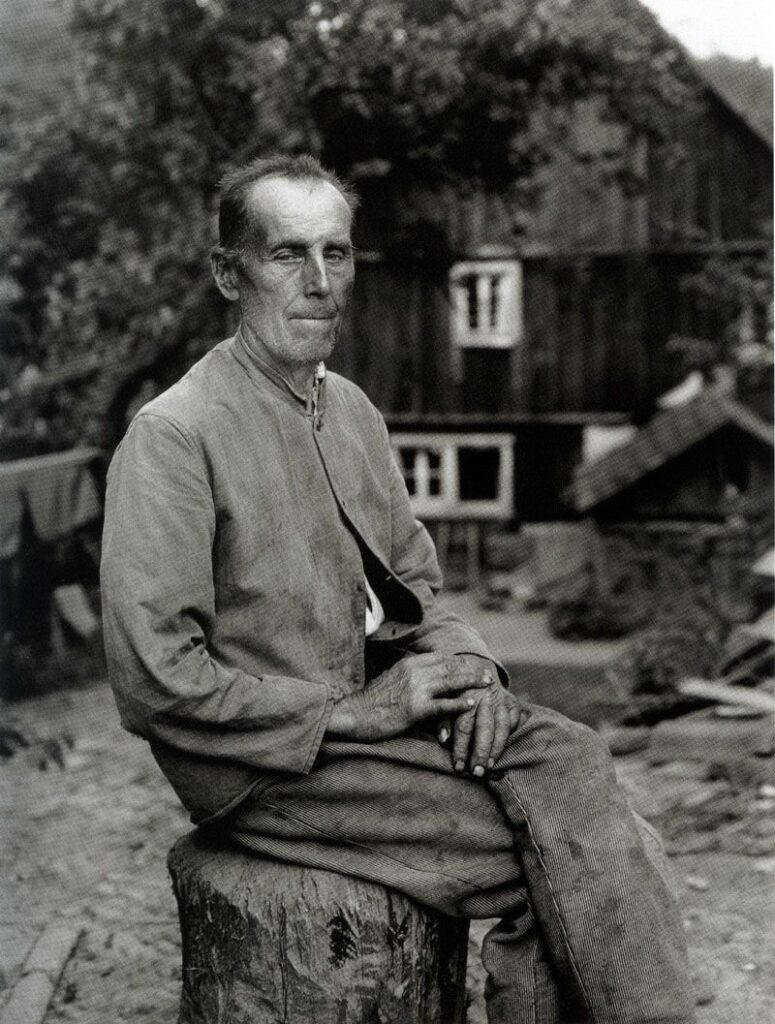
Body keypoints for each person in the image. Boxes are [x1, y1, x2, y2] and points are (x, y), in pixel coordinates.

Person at [101, 155, 695, 1023]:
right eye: (286, 255)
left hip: (368, 738)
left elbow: (416, 589)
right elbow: (153, 677)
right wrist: (354, 715)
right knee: (585, 853)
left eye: (336, 254)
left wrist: (471, 670)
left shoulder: (349, 412)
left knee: (569, 759)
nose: (318, 284)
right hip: (261, 765)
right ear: (228, 273)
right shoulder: (175, 436)